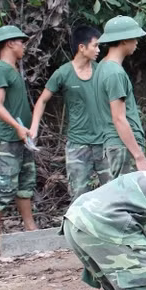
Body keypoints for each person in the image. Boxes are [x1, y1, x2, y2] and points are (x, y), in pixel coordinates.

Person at [30, 25, 112, 200]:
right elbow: (42, 100)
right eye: (95, 45)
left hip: (104, 143)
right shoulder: (63, 73)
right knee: (79, 197)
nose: (98, 50)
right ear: (81, 47)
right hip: (78, 146)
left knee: (113, 194)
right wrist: (34, 129)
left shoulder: (103, 71)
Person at [93, 16, 146, 177]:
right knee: (128, 199)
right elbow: (119, 118)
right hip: (123, 146)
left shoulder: (102, 67)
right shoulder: (114, 73)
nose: (137, 42)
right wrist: (139, 157)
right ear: (124, 40)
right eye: (134, 38)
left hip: (116, 145)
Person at [0, 25, 37, 252]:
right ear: (10, 43)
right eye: (21, 42)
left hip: (21, 139)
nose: (24, 46)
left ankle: (31, 229)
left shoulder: (12, 70)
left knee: (25, 185)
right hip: (8, 139)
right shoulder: (1, 69)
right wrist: (16, 127)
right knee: (3, 188)